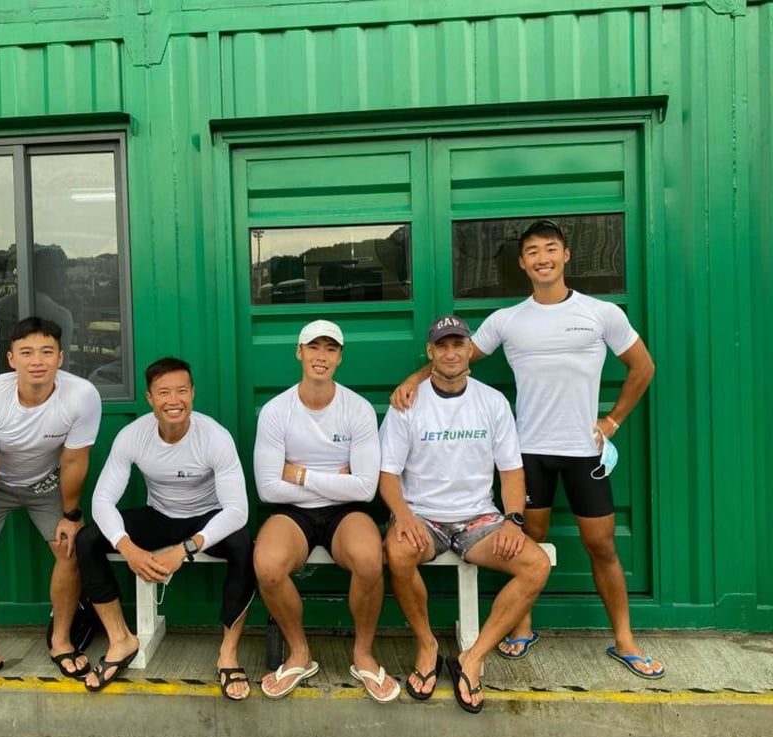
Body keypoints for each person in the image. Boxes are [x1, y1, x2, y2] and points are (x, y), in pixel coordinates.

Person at [390, 219, 662, 678]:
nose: (542, 258)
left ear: (566, 255)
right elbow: (453, 359)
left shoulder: (602, 314)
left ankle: (625, 640)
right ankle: (522, 628)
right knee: (525, 543)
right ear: (522, 263)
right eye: (532, 251)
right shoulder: (506, 320)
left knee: (602, 546)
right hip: (528, 452)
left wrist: (612, 420)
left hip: (583, 451)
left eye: (550, 249)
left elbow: (643, 367)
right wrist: (411, 382)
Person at [381, 315, 551, 713]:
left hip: (478, 519)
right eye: (442, 345)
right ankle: (426, 644)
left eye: (459, 344)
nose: (451, 352)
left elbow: (511, 470)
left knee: (536, 565)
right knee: (398, 552)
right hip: (423, 515)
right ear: (430, 352)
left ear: (470, 350)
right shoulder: (407, 403)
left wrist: (512, 519)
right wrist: (402, 516)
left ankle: (471, 658)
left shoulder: (492, 401)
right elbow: (387, 473)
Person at [75, 357, 255, 699]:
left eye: (182, 391)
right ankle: (120, 641)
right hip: (159, 516)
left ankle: (228, 653)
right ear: (149, 399)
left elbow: (237, 510)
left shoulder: (215, 437)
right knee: (89, 540)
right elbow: (101, 502)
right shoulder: (133, 435)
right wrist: (128, 548)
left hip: (206, 518)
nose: (174, 401)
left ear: (193, 394)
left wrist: (185, 549)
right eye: (164, 393)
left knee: (244, 545)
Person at [0, 316, 101, 694]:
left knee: (70, 549)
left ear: (61, 358)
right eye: (27, 352)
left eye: (47, 352)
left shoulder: (82, 395)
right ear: (11, 358)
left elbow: (73, 461)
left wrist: (70, 515)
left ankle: (62, 640)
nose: (38, 360)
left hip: (47, 482)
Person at [253, 320, 395, 702]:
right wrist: (333, 478)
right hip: (292, 512)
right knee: (268, 567)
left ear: (340, 357)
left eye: (330, 349)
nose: (321, 356)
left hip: (343, 512)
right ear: (299, 352)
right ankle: (300, 652)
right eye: (313, 347)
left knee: (369, 559)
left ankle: (363, 653)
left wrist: (298, 473)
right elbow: (267, 488)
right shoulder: (275, 410)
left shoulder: (359, 409)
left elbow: (365, 489)